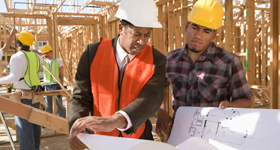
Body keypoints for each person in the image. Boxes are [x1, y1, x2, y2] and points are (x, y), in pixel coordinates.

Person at [68, 0, 166, 149]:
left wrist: (116, 120)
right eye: (137, 34)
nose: (142, 41)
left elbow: (151, 98)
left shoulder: (156, 59)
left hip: (139, 139)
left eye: (147, 35)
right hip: (99, 140)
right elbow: (80, 96)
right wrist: (77, 127)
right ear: (121, 28)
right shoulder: (92, 53)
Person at [156, 0, 253, 138]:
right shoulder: (171, 59)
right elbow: (161, 87)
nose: (198, 35)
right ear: (187, 26)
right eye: (195, 27)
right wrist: (162, 111)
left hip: (214, 136)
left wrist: (230, 106)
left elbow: (247, 101)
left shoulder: (228, 62)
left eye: (206, 31)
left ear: (214, 35)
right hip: (180, 134)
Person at [0, 30, 45, 150]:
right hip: (35, 95)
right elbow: (43, 61)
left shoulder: (17, 57)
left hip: (23, 96)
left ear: (18, 42)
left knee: (24, 129)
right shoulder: (36, 56)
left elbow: (13, 77)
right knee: (35, 125)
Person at [41, 44, 66, 118]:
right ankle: (48, 121)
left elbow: (61, 73)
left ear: (51, 52)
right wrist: (41, 58)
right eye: (44, 53)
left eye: (47, 53)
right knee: (48, 105)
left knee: (60, 105)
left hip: (56, 85)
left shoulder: (58, 60)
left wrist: (61, 84)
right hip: (47, 86)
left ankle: (63, 120)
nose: (46, 55)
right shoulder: (43, 61)